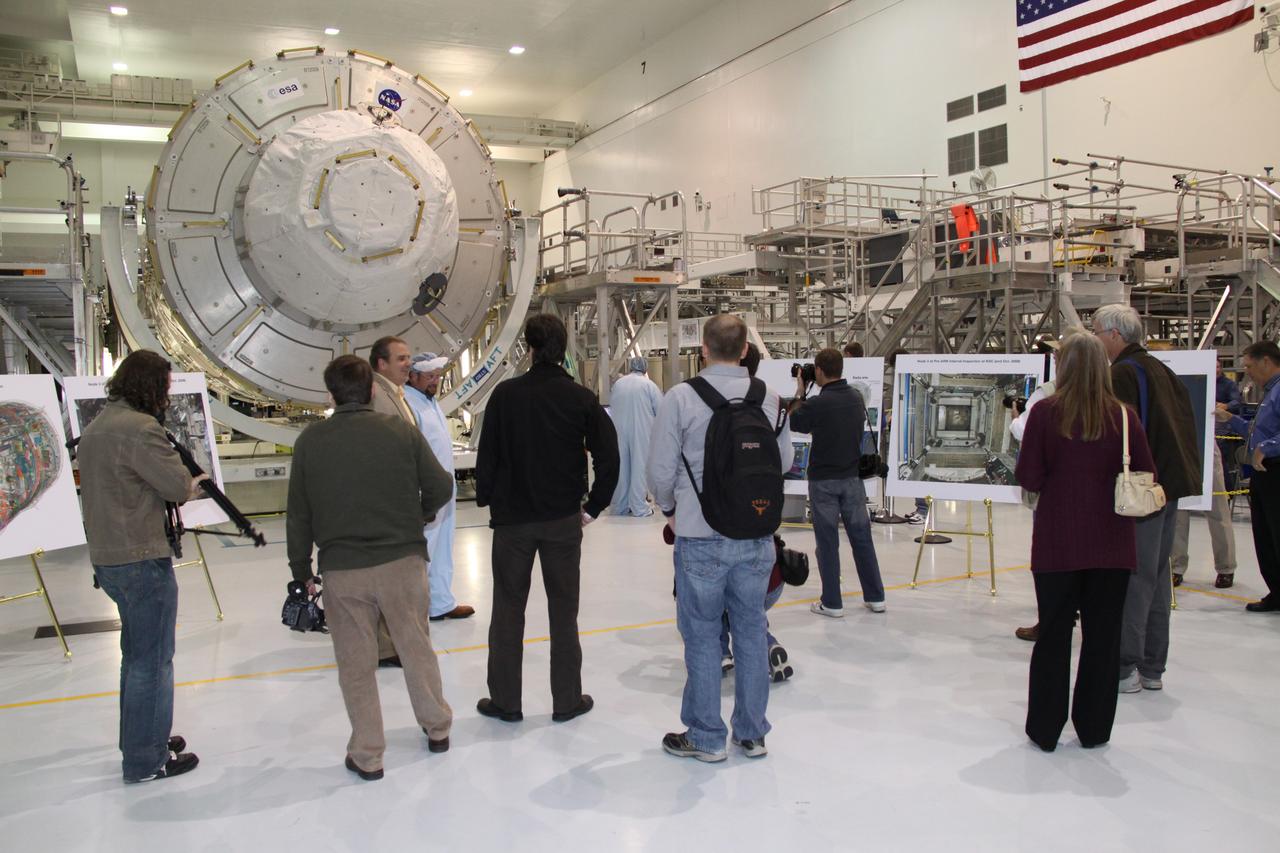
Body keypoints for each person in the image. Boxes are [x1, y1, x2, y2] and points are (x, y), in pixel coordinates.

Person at [287, 355, 456, 781]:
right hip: (402, 562)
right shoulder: (400, 430)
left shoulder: (311, 441)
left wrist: (300, 569)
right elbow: (441, 485)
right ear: (374, 390)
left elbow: (298, 513)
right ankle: (437, 728)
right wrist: (417, 517)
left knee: (356, 663)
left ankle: (368, 754)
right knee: (416, 647)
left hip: (344, 570)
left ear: (329, 396)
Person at [648, 313, 793, 762]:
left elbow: (658, 472)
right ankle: (751, 735)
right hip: (756, 536)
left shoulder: (681, 398)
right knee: (751, 631)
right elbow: (783, 462)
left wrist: (672, 510)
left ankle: (707, 737)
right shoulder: (769, 398)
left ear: (704, 349)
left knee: (704, 636)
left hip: (700, 534)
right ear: (747, 349)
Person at [474, 314, 620, 724]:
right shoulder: (580, 398)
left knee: (507, 610)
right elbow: (610, 457)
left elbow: (489, 457)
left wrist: (488, 498)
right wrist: (593, 507)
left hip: (513, 523)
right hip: (561, 522)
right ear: (564, 349)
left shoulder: (505, 396)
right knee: (563, 611)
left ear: (530, 348)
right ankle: (566, 700)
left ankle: (505, 701)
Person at [1015, 333, 1156, 752]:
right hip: (1112, 545)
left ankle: (1045, 729)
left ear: (1065, 367)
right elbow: (1146, 472)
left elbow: (1029, 477)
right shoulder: (1125, 417)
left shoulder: (1044, 413)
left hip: (1058, 543)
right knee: (1103, 638)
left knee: (1054, 636)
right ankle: (1094, 729)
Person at [77, 350, 206, 783]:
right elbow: (175, 485)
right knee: (153, 662)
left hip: (110, 558)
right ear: (152, 388)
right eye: (165, 390)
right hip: (140, 560)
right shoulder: (139, 429)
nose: (168, 399)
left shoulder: (98, 425)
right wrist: (193, 484)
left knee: (135, 659)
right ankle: (146, 759)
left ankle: (142, 740)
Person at [1092, 304, 1201, 693]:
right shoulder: (1163, 371)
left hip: (1141, 493)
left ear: (1115, 335)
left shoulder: (1121, 374)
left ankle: (1125, 665)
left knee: (1135, 578)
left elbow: (1121, 435)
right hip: (1167, 489)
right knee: (1156, 579)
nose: (1096, 341)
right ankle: (1153, 666)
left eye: (1097, 333)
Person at [789, 347, 886, 616]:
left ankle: (832, 602)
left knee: (828, 541)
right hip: (852, 480)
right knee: (862, 538)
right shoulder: (856, 398)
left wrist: (800, 390)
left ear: (818, 371)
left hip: (823, 482)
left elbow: (795, 421)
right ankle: (876, 596)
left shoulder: (818, 403)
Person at [404, 352, 474, 621]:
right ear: (413, 376)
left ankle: (441, 603)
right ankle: (416, 609)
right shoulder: (410, 404)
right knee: (424, 550)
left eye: (437, 376)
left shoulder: (429, 402)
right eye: (429, 376)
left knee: (442, 546)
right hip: (427, 491)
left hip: (443, 489)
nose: (435, 381)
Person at [365, 335, 420, 666]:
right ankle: (384, 646)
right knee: (386, 574)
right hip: (386, 498)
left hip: (399, 495)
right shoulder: (376, 396)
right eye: (401, 358)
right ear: (380, 364)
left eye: (408, 357)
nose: (407, 363)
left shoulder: (395, 393)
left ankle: (390, 641)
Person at [1215, 340, 1280, 611]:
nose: (1247, 372)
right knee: (1265, 536)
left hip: (1275, 471)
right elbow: (1257, 432)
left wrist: (1267, 447)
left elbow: (1267, 440)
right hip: (1263, 475)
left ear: (1266, 361)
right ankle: (1277, 591)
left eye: (1250, 366)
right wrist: (1231, 420)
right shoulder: (1269, 392)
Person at [1170, 440, 1236, 589]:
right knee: (1178, 515)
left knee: (1218, 513)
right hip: (1178, 449)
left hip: (1206, 448)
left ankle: (1226, 567)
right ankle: (1176, 567)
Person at [609, 356, 663, 517]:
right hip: (642, 431)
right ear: (645, 368)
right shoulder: (649, 385)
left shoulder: (618, 384)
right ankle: (639, 507)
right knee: (640, 468)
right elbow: (661, 411)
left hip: (619, 431)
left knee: (622, 468)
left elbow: (612, 405)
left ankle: (619, 506)